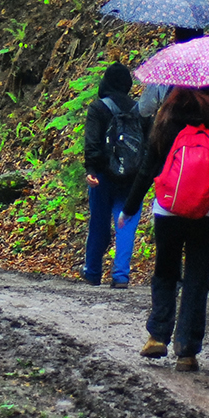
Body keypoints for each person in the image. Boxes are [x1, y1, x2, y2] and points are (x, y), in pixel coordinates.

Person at [121, 86, 209, 371]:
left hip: (169, 207)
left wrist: (130, 207)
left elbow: (148, 168)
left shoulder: (166, 117)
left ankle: (157, 336)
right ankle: (187, 350)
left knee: (166, 271)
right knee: (197, 278)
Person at [82, 63, 144, 287]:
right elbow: (147, 146)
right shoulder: (139, 110)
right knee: (126, 223)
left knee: (99, 222)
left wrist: (91, 170)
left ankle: (92, 271)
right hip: (132, 177)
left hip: (102, 175)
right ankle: (120, 275)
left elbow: (92, 143)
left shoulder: (98, 108)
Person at [137, 27, 204, 119]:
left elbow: (144, 108)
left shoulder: (165, 66)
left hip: (173, 129)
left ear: (176, 38)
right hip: (207, 130)